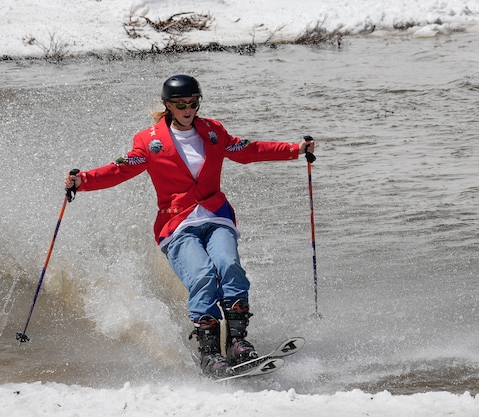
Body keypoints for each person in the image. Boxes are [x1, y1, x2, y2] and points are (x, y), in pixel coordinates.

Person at [64, 74, 315, 378]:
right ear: (167, 106)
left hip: (215, 214)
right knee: (202, 275)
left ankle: (238, 343)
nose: (186, 109)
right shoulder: (148, 141)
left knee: (229, 264)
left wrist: (295, 150)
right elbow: (120, 170)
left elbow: (248, 150)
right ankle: (210, 355)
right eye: (179, 104)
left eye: (192, 103)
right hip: (176, 222)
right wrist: (83, 181)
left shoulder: (213, 131)